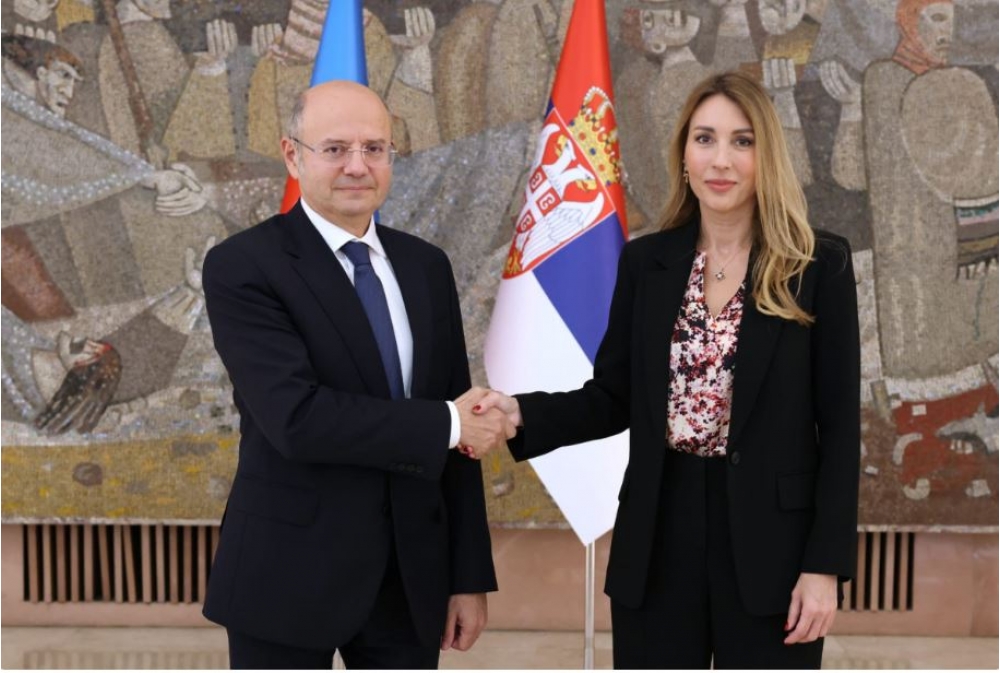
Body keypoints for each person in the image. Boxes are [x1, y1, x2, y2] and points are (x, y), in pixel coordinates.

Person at [467, 71, 860, 669]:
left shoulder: (818, 265)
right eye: (705, 139)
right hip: (657, 538)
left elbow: (839, 430)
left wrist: (824, 566)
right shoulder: (647, 262)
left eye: (742, 141)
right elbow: (613, 396)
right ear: (684, 154)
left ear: (767, 156)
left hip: (773, 548)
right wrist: (520, 412)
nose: (720, 159)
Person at [201, 80, 511, 670]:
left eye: (374, 148)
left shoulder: (425, 266)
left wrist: (467, 575)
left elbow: (460, 428)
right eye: (335, 148)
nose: (357, 166)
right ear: (292, 155)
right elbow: (296, 419)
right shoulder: (243, 266)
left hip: (410, 576)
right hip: (288, 572)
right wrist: (448, 423)